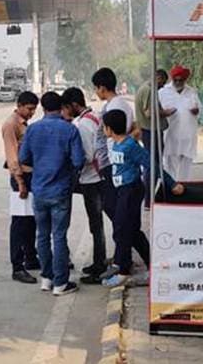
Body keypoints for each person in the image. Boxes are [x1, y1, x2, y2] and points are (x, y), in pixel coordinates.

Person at [100, 110, 184, 287]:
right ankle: (152, 266)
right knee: (131, 230)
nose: (103, 129)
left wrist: (172, 183)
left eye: (104, 126)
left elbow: (151, 164)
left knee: (122, 228)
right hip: (121, 191)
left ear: (109, 128)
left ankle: (122, 269)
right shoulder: (115, 144)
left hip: (131, 190)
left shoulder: (130, 145)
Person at [19, 92, 85, 296]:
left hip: (39, 189)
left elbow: (23, 157)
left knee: (42, 235)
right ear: (61, 107)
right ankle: (60, 282)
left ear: (43, 107)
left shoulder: (33, 129)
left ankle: (46, 278)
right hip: (61, 190)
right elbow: (78, 160)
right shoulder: (70, 130)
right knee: (59, 236)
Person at [61, 88, 107, 284]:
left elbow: (87, 156)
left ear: (73, 105)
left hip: (91, 179)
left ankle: (99, 266)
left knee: (95, 224)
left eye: (65, 108)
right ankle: (99, 261)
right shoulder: (95, 116)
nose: (65, 112)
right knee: (97, 224)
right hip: (100, 175)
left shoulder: (82, 125)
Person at [2, 91, 41, 284]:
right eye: (29, 109)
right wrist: (20, 182)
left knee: (30, 220)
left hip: (30, 175)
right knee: (19, 223)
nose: (32, 113)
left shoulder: (25, 124)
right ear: (19, 106)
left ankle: (31, 257)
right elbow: (12, 156)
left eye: (34, 109)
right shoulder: (11, 125)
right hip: (21, 177)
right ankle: (17, 267)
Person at [91, 68, 136, 222]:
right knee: (114, 203)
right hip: (110, 159)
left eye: (96, 88)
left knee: (112, 204)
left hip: (113, 160)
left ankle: (127, 233)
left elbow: (116, 136)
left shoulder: (114, 107)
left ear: (102, 88)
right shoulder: (119, 104)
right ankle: (125, 231)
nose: (96, 92)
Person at [135, 69, 170, 208]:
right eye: (162, 82)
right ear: (158, 78)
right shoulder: (149, 90)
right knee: (153, 165)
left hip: (149, 131)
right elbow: (149, 113)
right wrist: (165, 112)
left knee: (152, 164)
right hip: (150, 131)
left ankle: (149, 198)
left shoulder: (145, 89)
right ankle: (149, 199)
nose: (162, 86)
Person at [159, 65, 201, 181]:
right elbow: (156, 111)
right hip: (171, 134)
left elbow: (199, 108)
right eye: (175, 80)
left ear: (185, 80)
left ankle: (185, 186)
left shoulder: (191, 92)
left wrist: (196, 111)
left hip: (188, 135)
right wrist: (165, 113)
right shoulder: (163, 92)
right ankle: (172, 187)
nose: (178, 82)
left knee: (186, 165)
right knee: (170, 165)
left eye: (180, 80)